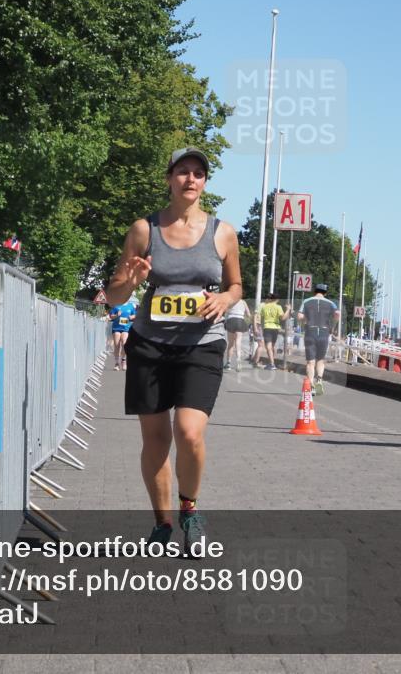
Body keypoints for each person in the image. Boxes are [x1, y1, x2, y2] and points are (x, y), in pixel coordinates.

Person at [105, 147, 242, 554]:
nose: (190, 179)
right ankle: (162, 523)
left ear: (205, 182)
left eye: (198, 173)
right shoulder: (144, 230)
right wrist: (130, 282)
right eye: (183, 171)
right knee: (156, 441)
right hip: (150, 345)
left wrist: (225, 299)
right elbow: (114, 296)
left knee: (189, 432)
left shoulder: (222, 232)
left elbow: (236, 285)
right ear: (169, 178)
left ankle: (190, 509)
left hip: (202, 344)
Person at [298, 283, 340, 395]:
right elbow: (337, 314)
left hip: (310, 331)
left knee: (310, 362)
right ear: (325, 293)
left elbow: (299, 316)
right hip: (324, 331)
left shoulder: (306, 301)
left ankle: (311, 385)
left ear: (314, 291)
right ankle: (319, 380)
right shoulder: (331, 303)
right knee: (320, 360)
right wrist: (333, 326)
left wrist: (305, 320)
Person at [254, 293, 289, 370]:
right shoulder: (278, 307)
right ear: (277, 299)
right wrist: (288, 310)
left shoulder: (265, 306)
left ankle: (272, 364)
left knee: (268, 347)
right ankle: (272, 362)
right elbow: (283, 318)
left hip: (267, 327)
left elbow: (260, 317)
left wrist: (258, 327)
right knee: (272, 346)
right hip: (275, 328)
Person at [223, 298, 251, 371]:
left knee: (231, 343)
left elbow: (226, 312)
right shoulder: (243, 302)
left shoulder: (230, 301)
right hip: (240, 320)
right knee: (238, 342)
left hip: (231, 320)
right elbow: (248, 314)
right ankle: (238, 359)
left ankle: (228, 363)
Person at [108, 301, 136, 370]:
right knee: (117, 345)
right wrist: (116, 315)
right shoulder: (116, 305)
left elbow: (135, 315)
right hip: (116, 328)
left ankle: (123, 361)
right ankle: (117, 363)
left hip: (125, 328)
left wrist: (131, 317)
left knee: (124, 343)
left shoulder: (130, 306)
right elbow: (111, 316)